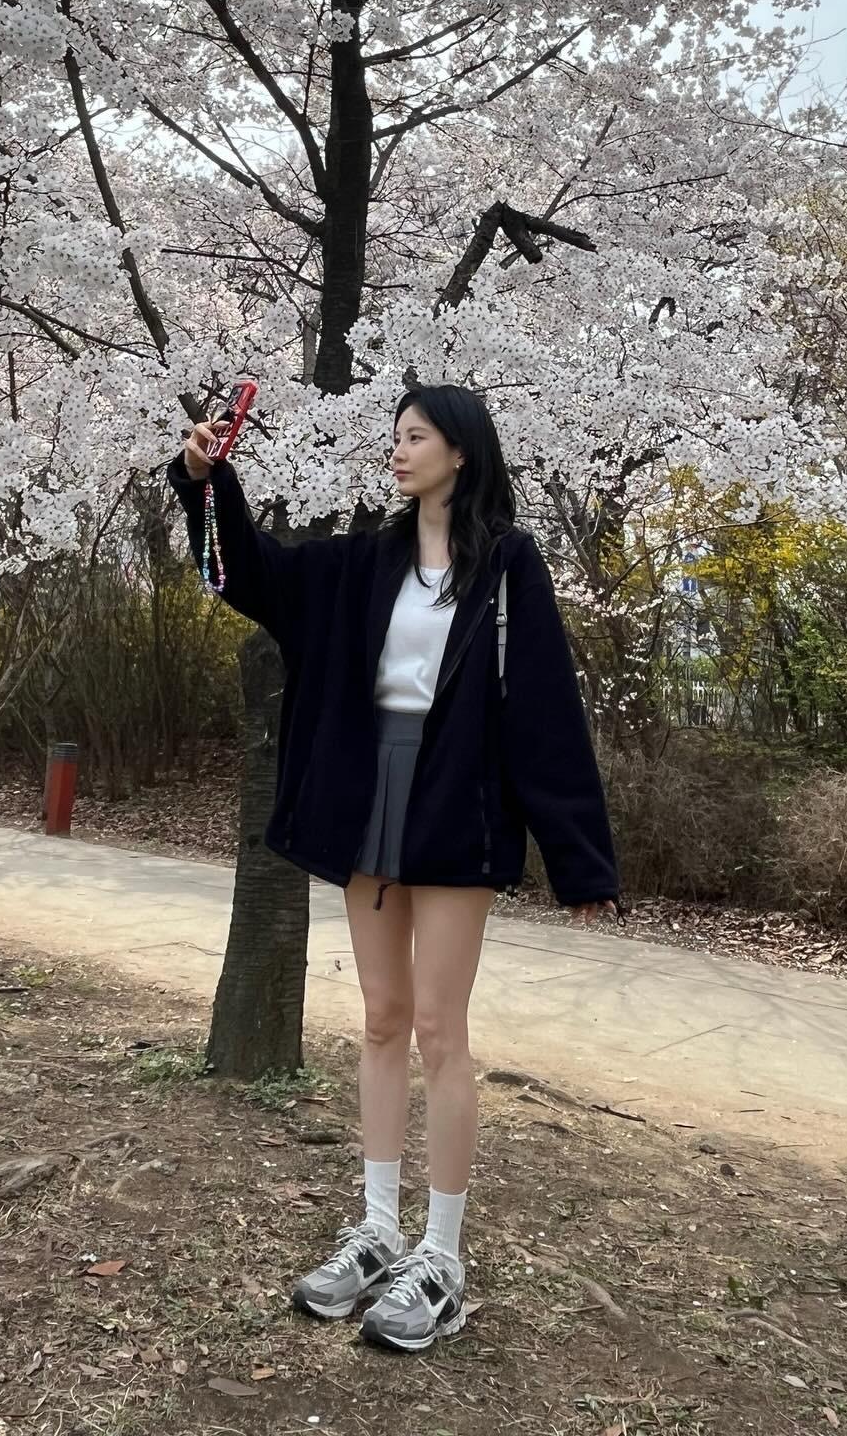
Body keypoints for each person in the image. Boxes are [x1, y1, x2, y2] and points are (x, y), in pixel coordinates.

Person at [167, 384, 620, 1354]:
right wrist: (205, 482)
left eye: (416, 436)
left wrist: (580, 860)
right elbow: (242, 574)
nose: (399, 450)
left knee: (439, 1031)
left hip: (458, 807)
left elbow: (544, 709)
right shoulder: (362, 562)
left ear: (461, 451)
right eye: (396, 435)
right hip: (368, 802)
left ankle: (440, 1255)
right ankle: (377, 1231)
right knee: (380, 1020)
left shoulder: (509, 565)